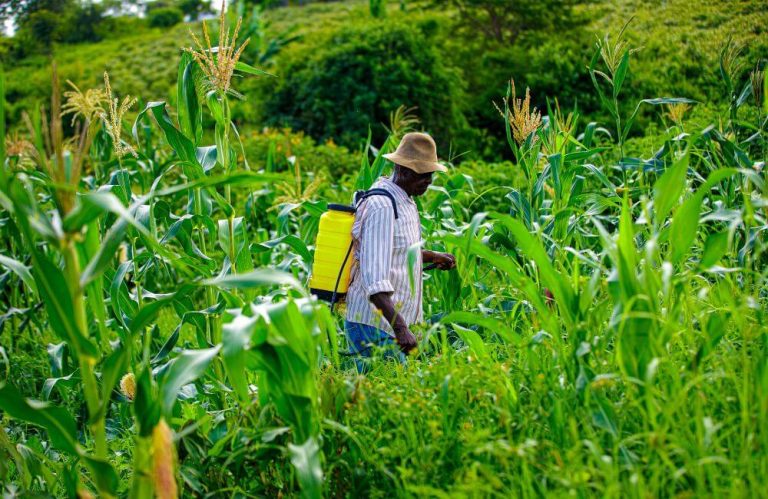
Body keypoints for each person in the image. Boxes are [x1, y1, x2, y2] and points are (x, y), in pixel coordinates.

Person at [345, 132, 456, 370]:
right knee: (387, 393)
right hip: (372, 326)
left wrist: (433, 257)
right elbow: (374, 280)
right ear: (403, 170)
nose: (429, 181)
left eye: (431, 174)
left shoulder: (405, 199)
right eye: (423, 174)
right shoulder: (383, 206)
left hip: (387, 324)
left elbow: (397, 250)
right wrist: (401, 329)